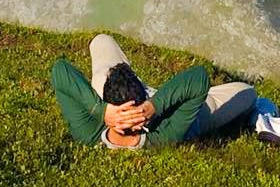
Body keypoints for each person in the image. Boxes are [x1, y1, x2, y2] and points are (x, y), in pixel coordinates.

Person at [50, 33, 257, 150]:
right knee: (248, 93)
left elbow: (60, 70)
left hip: (125, 101)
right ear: (141, 119)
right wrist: (153, 106)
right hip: (171, 108)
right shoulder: (164, 135)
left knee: (102, 41)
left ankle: (126, 90)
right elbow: (199, 78)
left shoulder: (88, 132)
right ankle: (144, 93)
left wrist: (99, 110)